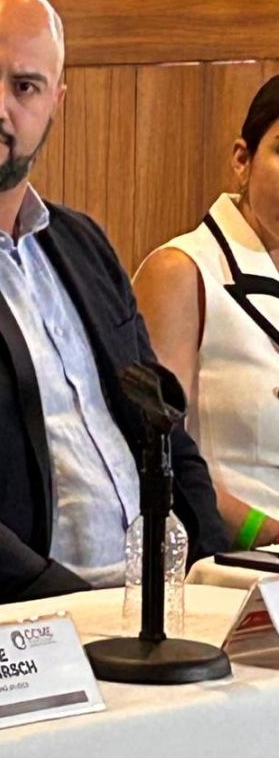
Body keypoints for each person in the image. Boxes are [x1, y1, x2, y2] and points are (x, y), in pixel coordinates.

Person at [0, 0, 227, 617]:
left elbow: (165, 431)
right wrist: (82, 615)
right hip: (23, 622)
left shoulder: (81, 242)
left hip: (160, 603)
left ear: (56, 100)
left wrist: (218, 580)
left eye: (25, 87)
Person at [134, 74, 279, 551]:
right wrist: (266, 533)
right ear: (242, 159)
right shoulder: (181, 272)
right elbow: (154, 454)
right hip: (231, 562)